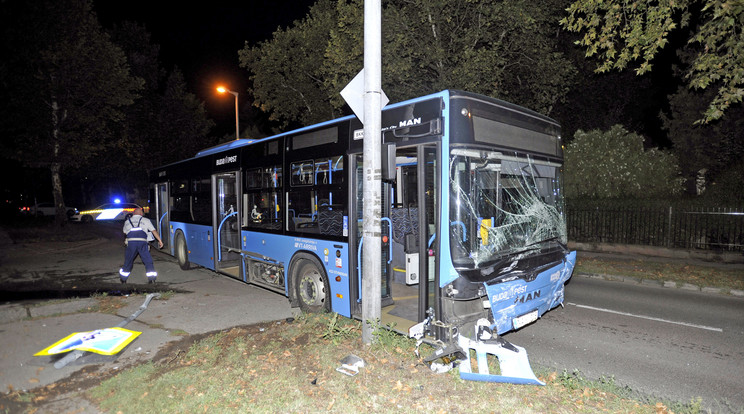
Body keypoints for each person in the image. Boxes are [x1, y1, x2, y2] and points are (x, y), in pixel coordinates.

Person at [119, 207, 163, 284]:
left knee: (128, 261)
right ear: (141, 213)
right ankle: (151, 279)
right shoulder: (146, 220)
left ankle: (123, 279)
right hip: (142, 243)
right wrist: (160, 240)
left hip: (131, 243)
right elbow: (153, 231)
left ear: (133, 214)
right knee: (147, 261)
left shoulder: (127, 221)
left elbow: (125, 232)